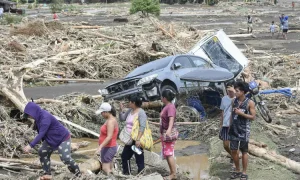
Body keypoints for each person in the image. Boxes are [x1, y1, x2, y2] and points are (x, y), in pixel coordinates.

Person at [22, 102, 81, 180]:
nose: (30, 117)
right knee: (42, 151)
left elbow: (41, 134)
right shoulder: (38, 118)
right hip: (51, 139)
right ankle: (47, 173)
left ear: (33, 112)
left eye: (29, 115)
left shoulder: (45, 117)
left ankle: (78, 174)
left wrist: (30, 146)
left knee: (65, 158)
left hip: (62, 138)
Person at [229, 82, 256, 180]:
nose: (235, 93)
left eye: (237, 91)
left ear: (243, 92)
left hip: (244, 130)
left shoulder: (250, 103)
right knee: (233, 150)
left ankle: (244, 172)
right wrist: (229, 125)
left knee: (244, 151)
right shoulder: (233, 101)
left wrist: (241, 114)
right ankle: (237, 170)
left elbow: (253, 117)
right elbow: (232, 115)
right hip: (234, 129)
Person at [119, 95, 147, 175]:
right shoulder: (130, 111)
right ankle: (127, 173)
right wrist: (121, 110)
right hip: (129, 138)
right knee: (125, 156)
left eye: (130, 102)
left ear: (133, 103)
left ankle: (141, 175)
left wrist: (138, 139)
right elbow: (122, 118)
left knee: (139, 157)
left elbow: (142, 126)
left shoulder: (141, 112)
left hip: (137, 139)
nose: (128, 103)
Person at [96, 102, 119, 176]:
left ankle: (110, 178)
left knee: (105, 168)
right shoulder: (111, 119)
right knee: (110, 167)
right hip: (110, 147)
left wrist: (100, 147)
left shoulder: (110, 121)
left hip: (109, 147)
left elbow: (109, 137)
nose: (101, 115)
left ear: (106, 112)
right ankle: (112, 177)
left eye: (102, 113)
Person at [160, 89, 177, 180]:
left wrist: (169, 130)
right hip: (165, 132)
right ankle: (172, 172)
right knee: (167, 153)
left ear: (164, 98)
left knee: (169, 153)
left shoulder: (170, 107)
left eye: (162, 97)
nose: (161, 99)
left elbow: (171, 119)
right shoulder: (167, 106)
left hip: (169, 132)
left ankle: (173, 174)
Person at [219, 84, 236, 171]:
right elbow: (222, 111)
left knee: (233, 145)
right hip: (225, 125)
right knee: (225, 145)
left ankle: (234, 162)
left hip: (233, 125)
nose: (230, 92)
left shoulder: (237, 99)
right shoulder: (224, 99)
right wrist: (221, 123)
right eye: (228, 90)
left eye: (231, 90)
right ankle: (233, 156)